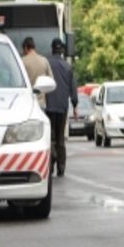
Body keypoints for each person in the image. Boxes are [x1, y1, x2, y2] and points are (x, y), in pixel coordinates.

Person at [45, 37, 77, 177]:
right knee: (60, 138)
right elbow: (73, 88)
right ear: (62, 50)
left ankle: (51, 163)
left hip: (49, 106)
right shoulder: (67, 67)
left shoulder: (47, 64)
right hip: (63, 107)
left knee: (50, 137)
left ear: (52, 49)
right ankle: (61, 167)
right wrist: (75, 105)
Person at [20, 37, 53, 110]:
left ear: (25, 48)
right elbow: (51, 81)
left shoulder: (21, 62)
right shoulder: (44, 61)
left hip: (26, 103)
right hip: (41, 103)